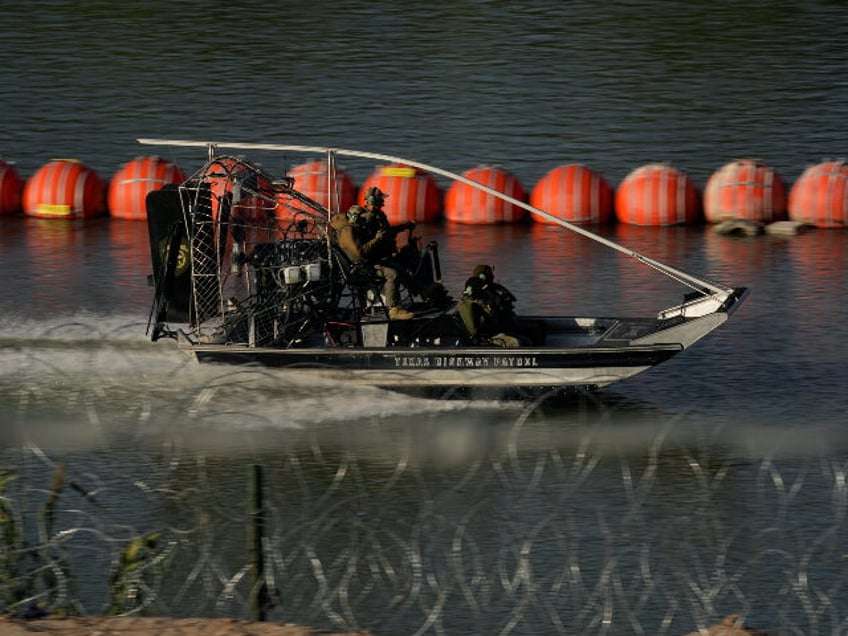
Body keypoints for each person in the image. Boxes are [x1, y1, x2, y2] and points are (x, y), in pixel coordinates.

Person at [330, 187, 415, 320]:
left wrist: (403, 227)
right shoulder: (350, 232)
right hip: (362, 267)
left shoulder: (360, 226)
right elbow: (361, 253)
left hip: (369, 261)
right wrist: (377, 239)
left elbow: (385, 233)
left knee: (401, 265)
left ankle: (423, 291)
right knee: (393, 273)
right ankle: (393, 308)